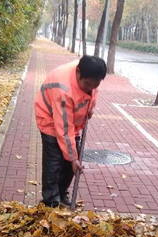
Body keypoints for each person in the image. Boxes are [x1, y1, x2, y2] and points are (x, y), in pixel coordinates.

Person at [34, 55, 107, 207]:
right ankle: (50, 201)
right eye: (87, 84)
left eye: (95, 85)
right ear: (78, 72)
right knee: (54, 163)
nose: (91, 88)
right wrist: (73, 158)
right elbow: (64, 129)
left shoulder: (90, 75)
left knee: (72, 163)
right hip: (50, 119)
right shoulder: (63, 89)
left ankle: (61, 193)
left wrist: (90, 108)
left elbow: (93, 92)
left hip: (70, 121)